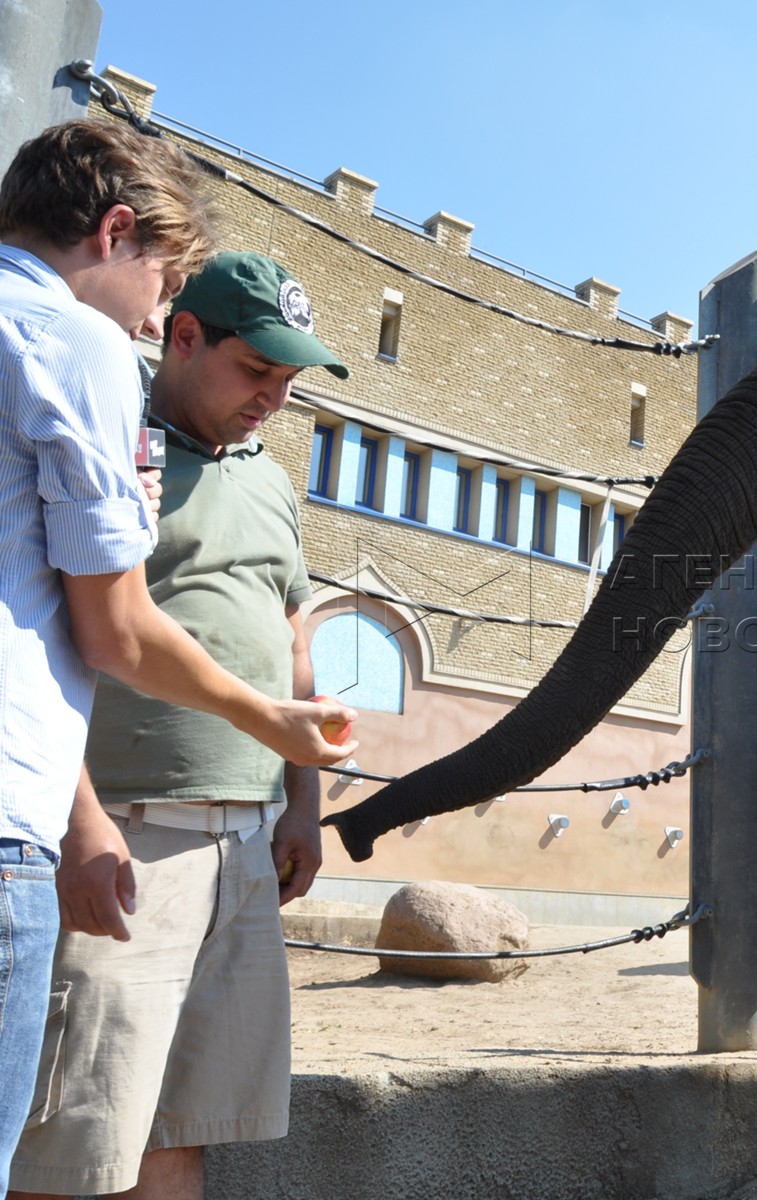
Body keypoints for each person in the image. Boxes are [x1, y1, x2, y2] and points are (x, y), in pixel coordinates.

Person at [0, 121, 356, 1192]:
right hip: (122, 834)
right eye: (257, 367)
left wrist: (300, 802)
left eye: (293, 380)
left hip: (243, 845)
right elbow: (68, 634)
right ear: (186, 337)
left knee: (180, 1126)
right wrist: (85, 819)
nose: (275, 397)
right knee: (79, 1139)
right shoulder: (91, 376)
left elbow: (293, 640)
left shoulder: (272, 482)